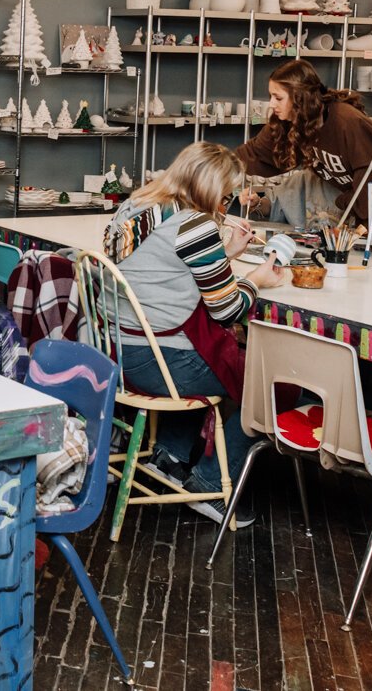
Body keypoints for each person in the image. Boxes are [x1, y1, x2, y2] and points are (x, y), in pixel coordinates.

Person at [101, 142, 284, 527]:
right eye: (227, 192)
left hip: (116, 351)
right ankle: (214, 481)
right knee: (270, 383)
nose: (228, 200)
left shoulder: (137, 205)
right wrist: (257, 279)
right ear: (209, 186)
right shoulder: (194, 223)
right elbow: (228, 309)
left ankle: (168, 457)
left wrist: (224, 254)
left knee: (201, 352)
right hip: (159, 363)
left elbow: (162, 272)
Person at [236, 58, 372, 225]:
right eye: (270, 96)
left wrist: (352, 216)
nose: (271, 104)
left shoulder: (346, 121)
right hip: (364, 208)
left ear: (300, 98)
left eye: (278, 98)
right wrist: (219, 167)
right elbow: (256, 154)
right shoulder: (294, 121)